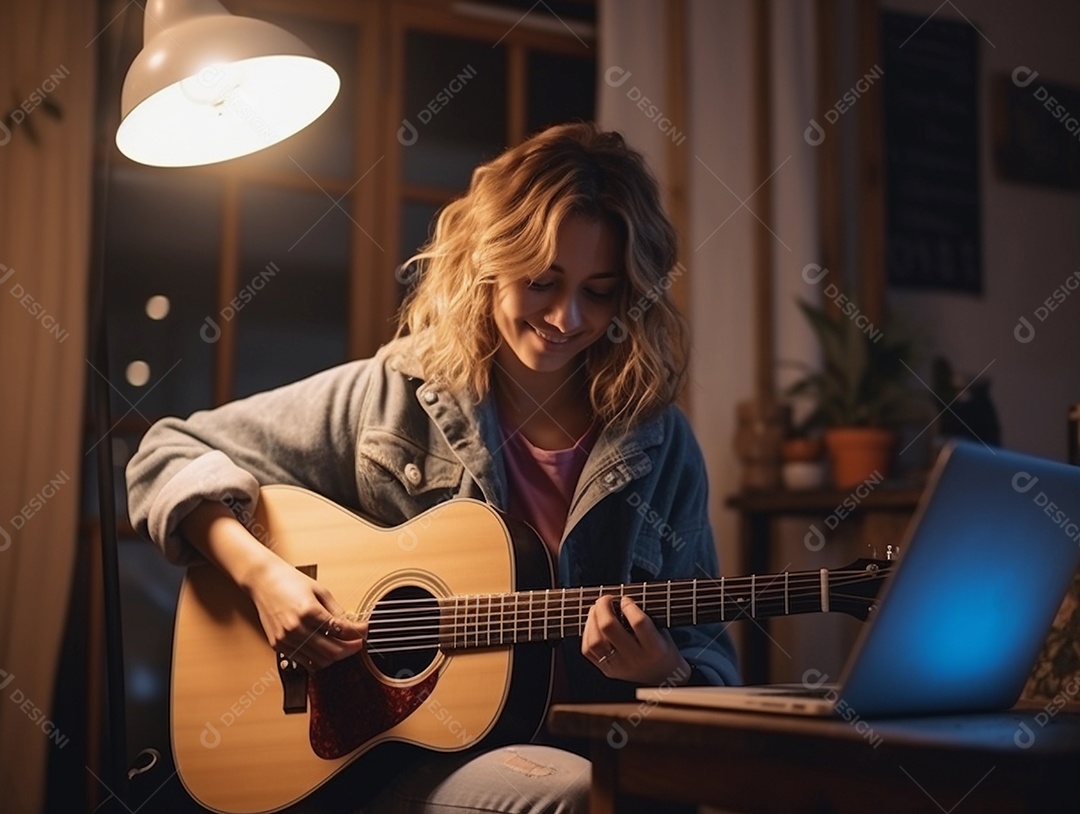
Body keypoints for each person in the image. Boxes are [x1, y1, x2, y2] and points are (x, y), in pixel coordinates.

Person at [127, 121, 740, 813]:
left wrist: (666, 669)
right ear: (487, 260)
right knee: (574, 798)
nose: (568, 317)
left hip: (597, 751)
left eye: (599, 292)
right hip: (399, 758)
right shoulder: (390, 397)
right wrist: (262, 575)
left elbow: (711, 661)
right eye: (542, 281)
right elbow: (166, 451)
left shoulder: (660, 443)